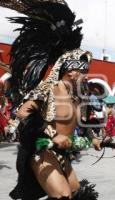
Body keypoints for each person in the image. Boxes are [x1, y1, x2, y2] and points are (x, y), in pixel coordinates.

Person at [1, 1, 103, 199]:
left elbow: (80, 123)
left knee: (78, 193)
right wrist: (52, 134)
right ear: (71, 72)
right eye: (83, 72)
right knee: (63, 196)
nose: (86, 77)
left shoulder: (78, 98)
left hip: (63, 155)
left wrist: (93, 137)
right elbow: (22, 112)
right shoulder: (49, 89)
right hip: (42, 152)